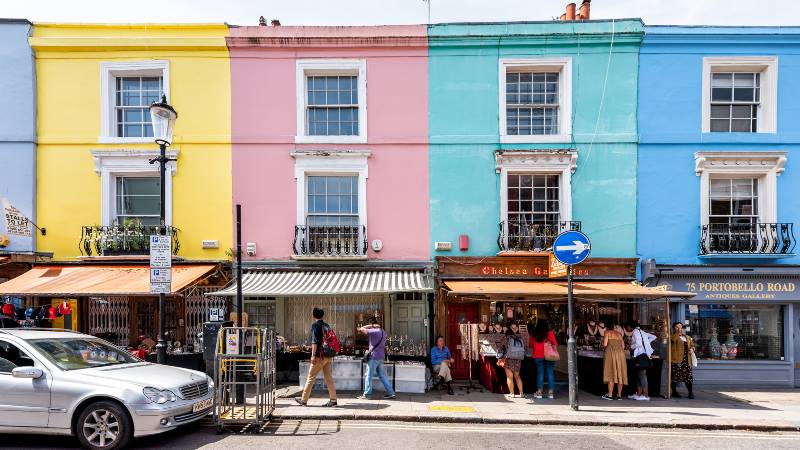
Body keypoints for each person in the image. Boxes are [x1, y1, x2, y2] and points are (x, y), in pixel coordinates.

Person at [295, 307, 337, 407]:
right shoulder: (326, 325)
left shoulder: (315, 325)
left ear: (313, 316)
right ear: (322, 315)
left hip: (319, 355)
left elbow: (314, 342)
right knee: (328, 378)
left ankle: (304, 399)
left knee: (311, 377)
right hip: (328, 355)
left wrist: (313, 355)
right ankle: (333, 400)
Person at [356, 317, 396, 400]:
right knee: (382, 375)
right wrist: (374, 325)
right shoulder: (383, 331)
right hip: (381, 356)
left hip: (374, 356)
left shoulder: (373, 331)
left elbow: (361, 329)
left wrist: (370, 326)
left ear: (371, 325)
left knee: (368, 376)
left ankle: (367, 395)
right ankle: (391, 393)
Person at [626, 320, 656, 401]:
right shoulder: (642, 331)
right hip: (645, 355)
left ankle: (646, 396)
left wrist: (630, 347)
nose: (627, 328)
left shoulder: (635, 332)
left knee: (642, 375)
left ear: (631, 326)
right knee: (640, 375)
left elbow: (638, 344)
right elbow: (653, 337)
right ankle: (639, 394)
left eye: (627, 326)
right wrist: (646, 344)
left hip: (640, 356)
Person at [530, 319, 557, 399]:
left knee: (540, 373)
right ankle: (551, 393)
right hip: (549, 355)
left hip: (538, 356)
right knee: (550, 373)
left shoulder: (534, 334)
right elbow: (555, 344)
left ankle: (539, 392)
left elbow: (531, 345)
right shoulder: (550, 333)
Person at [499, 323, 526, 399]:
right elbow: (525, 348)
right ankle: (521, 394)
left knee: (509, 377)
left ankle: (512, 393)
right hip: (518, 359)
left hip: (508, 359)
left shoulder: (506, 337)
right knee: (517, 376)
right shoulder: (520, 337)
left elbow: (501, 347)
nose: (514, 329)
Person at [602, 319, 627, 400]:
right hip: (621, 354)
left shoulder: (607, 332)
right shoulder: (619, 334)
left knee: (611, 372)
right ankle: (619, 395)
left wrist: (603, 346)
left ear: (606, 327)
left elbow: (605, 344)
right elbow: (623, 346)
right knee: (620, 373)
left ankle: (610, 395)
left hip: (611, 353)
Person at [670, 322, 696, 399]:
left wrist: (692, 349)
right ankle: (674, 392)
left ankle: (690, 393)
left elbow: (692, 346)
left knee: (688, 377)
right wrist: (677, 333)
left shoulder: (687, 337)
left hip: (687, 360)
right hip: (677, 360)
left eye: (680, 327)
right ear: (674, 328)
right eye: (677, 327)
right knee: (675, 377)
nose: (679, 329)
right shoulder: (672, 337)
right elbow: (672, 341)